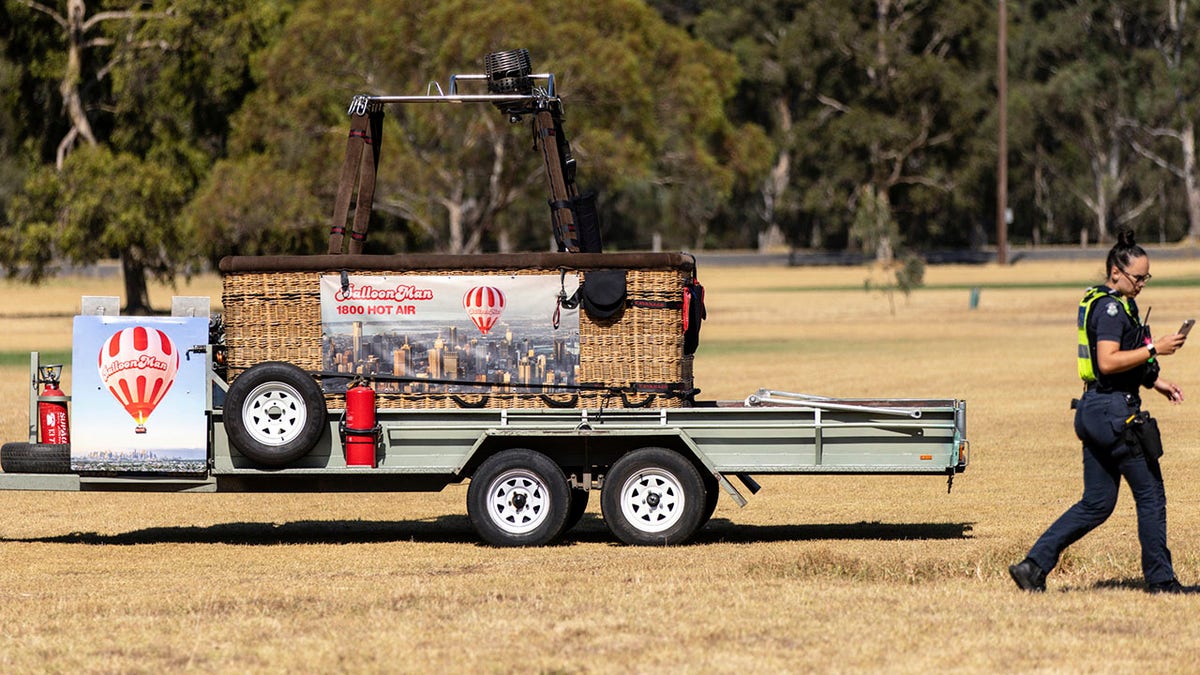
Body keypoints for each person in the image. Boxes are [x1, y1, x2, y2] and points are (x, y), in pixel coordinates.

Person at [1010, 230, 1188, 594]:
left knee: (1097, 503)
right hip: (1113, 414)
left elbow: (1119, 362)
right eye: (1138, 277)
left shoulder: (1110, 302)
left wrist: (1156, 382)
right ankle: (1162, 581)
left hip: (1093, 410)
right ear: (1115, 272)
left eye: (1146, 278)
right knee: (1151, 495)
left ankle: (1033, 565)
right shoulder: (1110, 309)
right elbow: (1108, 362)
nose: (1141, 284)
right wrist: (1155, 348)